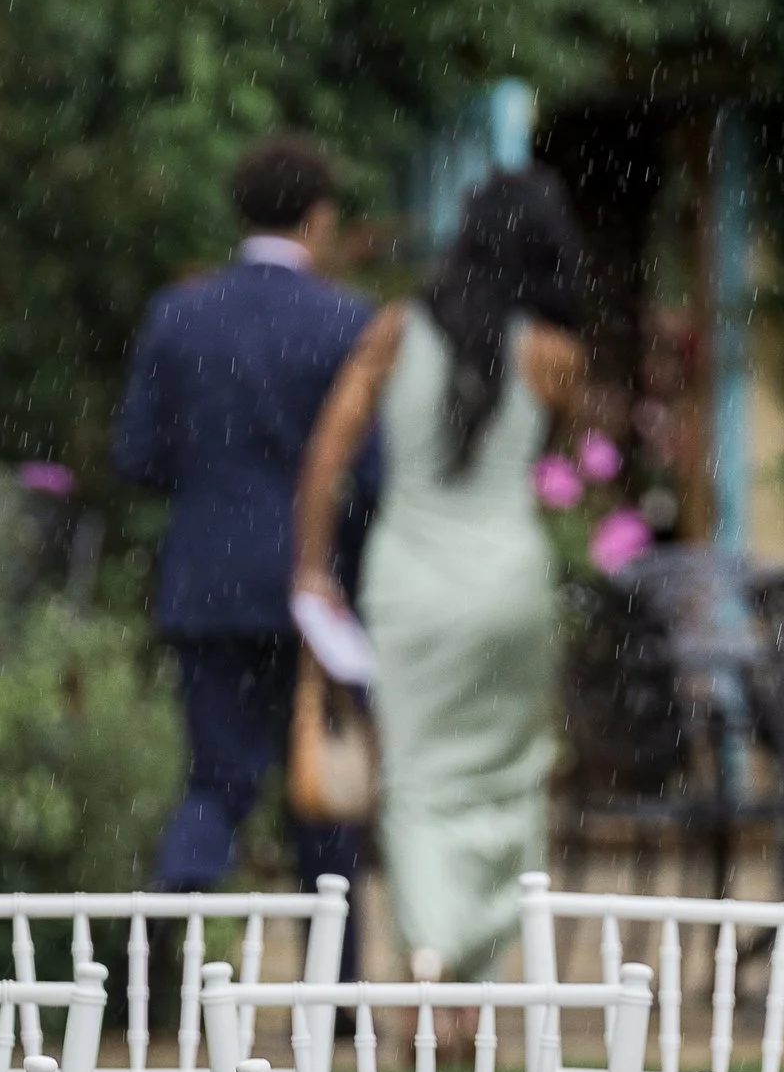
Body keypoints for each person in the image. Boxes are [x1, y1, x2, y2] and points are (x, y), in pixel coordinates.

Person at [294, 166, 587, 983]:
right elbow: (558, 457)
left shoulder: (394, 330)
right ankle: (485, 967)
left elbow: (328, 453)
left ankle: (427, 945)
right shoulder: (555, 354)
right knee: (510, 772)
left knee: (416, 774)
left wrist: (313, 569)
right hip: (507, 584)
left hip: (411, 582)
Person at [113, 134, 374, 899]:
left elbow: (137, 458)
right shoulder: (345, 324)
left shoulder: (181, 316)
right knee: (321, 794)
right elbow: (372, 470)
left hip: (208, 583)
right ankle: (337, 1000)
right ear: (319, 219)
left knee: (217, 783)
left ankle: (165, 946)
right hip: (315, 591)